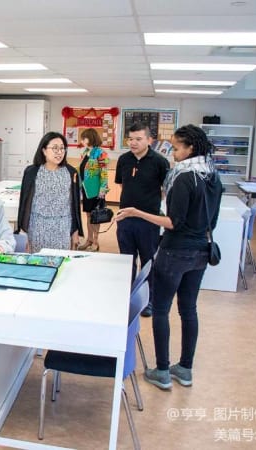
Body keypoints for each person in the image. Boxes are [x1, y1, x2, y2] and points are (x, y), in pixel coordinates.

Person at [115, 124, 223, 390]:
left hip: (176, 251)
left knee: (161, 309)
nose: (172, 152)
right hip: (201, 251)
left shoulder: (184, 177)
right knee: (189, 309)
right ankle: (185, 369)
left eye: (176, 147)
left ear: (190, 148)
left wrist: (137, 213)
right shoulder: (212, 175)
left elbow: (173, 221)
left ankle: (162, 371)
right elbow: (214, 219)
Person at [115, 122, 170, 317]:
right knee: (127, 260)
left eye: (138, 139)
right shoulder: (123, 160)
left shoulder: (160, 162)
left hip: (148, 221)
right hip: (125, 219)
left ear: (149, 140)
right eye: (131, 139)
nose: (133, 143)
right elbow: (122, 186)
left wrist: (146, 207)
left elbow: (165, 191)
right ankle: (126, 296)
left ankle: (148, 301)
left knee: (148, 261)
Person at [16, 131, 83, 253]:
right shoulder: (32, 172)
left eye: (62, 148)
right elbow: (25, 203)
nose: (59, 152)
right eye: (55, 148)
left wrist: (75, 233)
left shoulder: (71, 172)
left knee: (59, 264)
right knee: (37, 263)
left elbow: (74, 206)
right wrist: (23, 231)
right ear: (44, 150)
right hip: (37, 226)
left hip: (62, 226)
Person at [77, 128, 110, 252]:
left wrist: (103, 189)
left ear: (90, 138)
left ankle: (95, 241)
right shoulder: (85, 151)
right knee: (88, 215)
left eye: (84, 138)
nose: (82, 140)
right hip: (86, 189)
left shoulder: (101, 153)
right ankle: (89, 240)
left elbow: (104, 173)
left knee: (96, 216)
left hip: (97, 190)